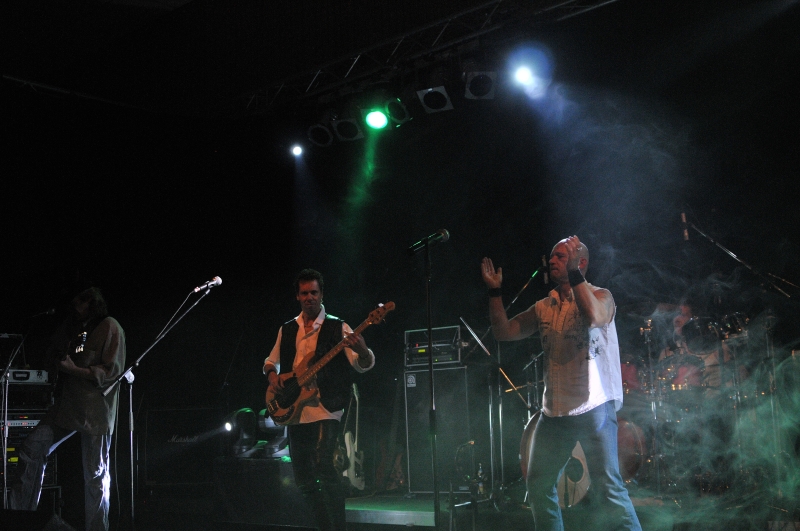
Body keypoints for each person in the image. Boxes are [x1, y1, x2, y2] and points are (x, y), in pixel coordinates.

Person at [482, 236, 641, 531]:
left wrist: (575, 275)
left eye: (560, 256)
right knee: (538, 485)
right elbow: (503, 331)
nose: (552, 261)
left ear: (580, 263)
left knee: (608, 489)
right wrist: (495, 292)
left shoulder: (602, 296)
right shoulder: (545, 306)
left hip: (593, 407)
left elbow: (593, 317)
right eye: (552, 256)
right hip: (554, 412)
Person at [262, 268, 375, 531]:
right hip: (295, 409)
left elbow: (361, 364)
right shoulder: (287, 329)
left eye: (314, 292)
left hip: (327, 406)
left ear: (322, 294)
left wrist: (363, 350)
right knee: (303, 478)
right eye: (304, 293)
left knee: (325, 467)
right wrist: (272, 376)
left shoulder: (338, 327)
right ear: (297, 296)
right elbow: (270, 361)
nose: (309, 297)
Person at [10, 287, 126, 531]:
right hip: (67, 406)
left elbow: (112, 373)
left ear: (92, 303)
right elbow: (53, 355)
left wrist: (74, 370)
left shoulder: (109, 327)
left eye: (80, 302)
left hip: (94, 411)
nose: (75, 307)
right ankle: (21, 520)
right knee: (32, 448)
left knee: (95, 475)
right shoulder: (71, 327)